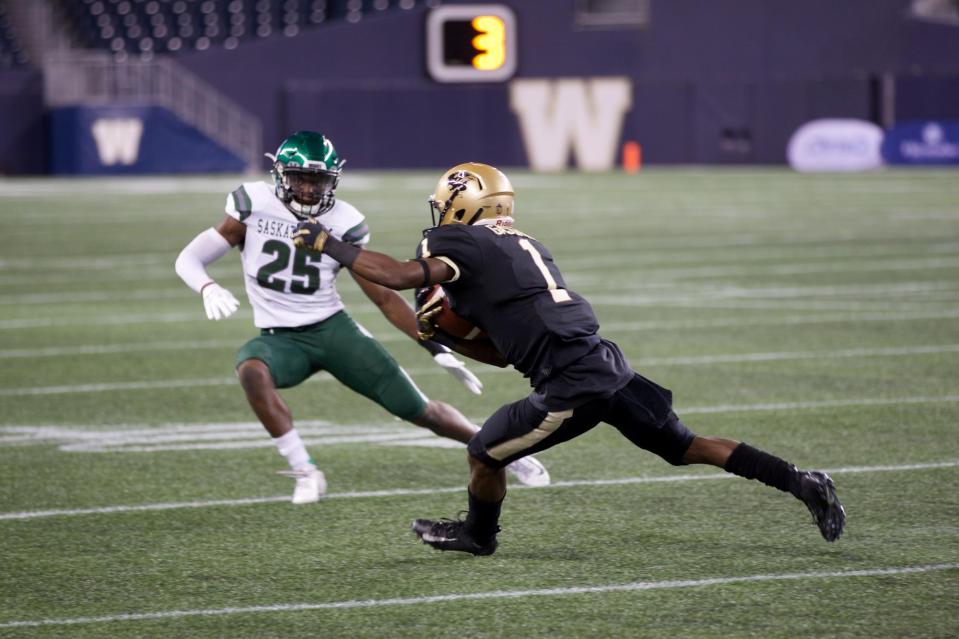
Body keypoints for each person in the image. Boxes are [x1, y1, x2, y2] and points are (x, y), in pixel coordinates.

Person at [290, 161, 846, 553]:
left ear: (463, 201)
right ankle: (801, 481)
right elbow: (505, 354)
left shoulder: (460, 243)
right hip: (603, 362)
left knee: (484, 453)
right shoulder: (525, 244)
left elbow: (396, 275)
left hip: (570, 381)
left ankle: (478, 536)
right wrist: (454, 340)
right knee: (684, 446)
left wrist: (328, 243)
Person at [174, 135, 550, 504]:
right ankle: (304, 470)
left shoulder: (343, 221)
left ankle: (499, 451)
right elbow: (189, 258)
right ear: (280, 175)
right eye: (300, 178)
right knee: (251, 370)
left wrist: (435, 347)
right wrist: (207, 287)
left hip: (333, 330)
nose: (309, 189)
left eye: (318, 180)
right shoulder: (253, 204)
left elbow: (383, 296)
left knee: (421, 412)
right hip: (279, 337)